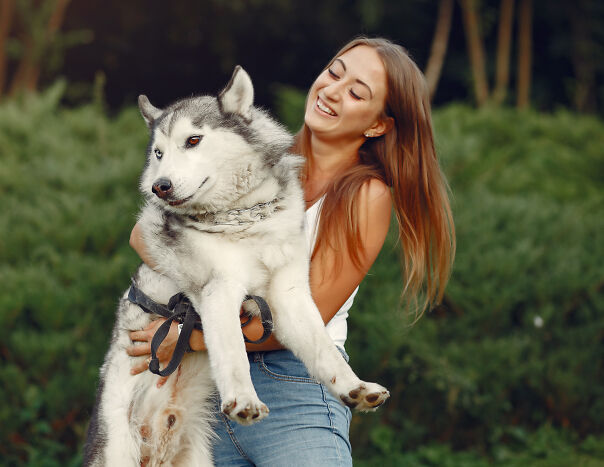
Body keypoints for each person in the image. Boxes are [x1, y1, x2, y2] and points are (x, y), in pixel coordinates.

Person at [127, 36, 455, 466]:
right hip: (205, 390)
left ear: (378, 125)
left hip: (297, 386)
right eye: (334, 73)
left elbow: (306, 313)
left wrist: (189, 339)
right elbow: (143, 233)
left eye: (357, 92)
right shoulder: (252, 156)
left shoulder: (365, 194)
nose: (334, 91)